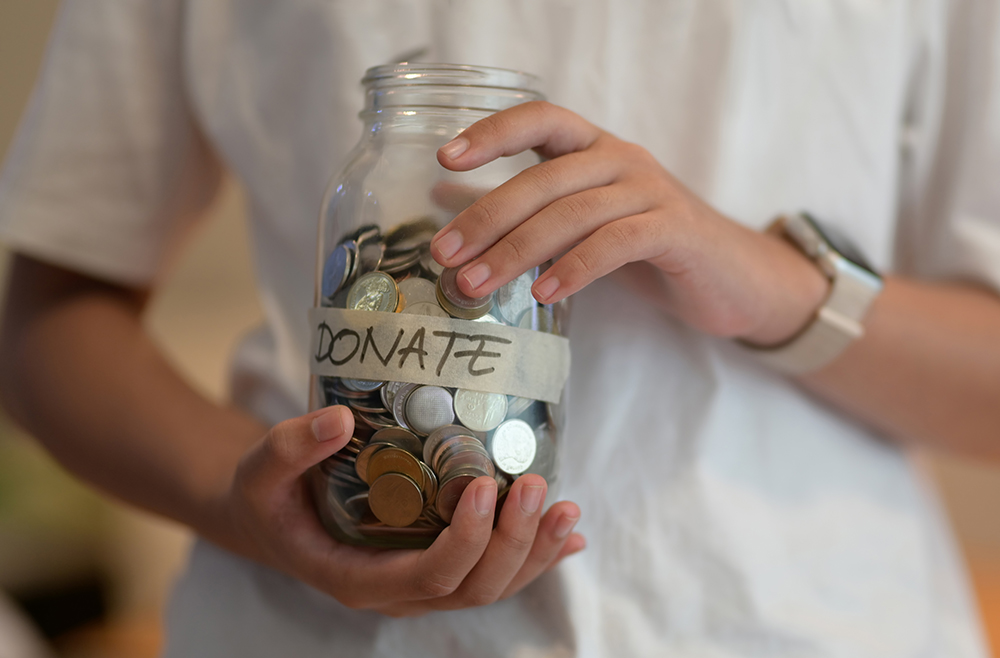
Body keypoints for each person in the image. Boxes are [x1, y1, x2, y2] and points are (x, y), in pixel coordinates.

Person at [0, 1, 997, 656]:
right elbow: (49, 318)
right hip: (307, 625)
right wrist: (258, 505)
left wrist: (775, 283)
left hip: (788, 622)